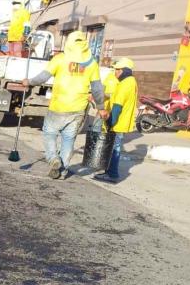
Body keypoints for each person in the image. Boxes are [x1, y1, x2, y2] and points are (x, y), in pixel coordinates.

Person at [23, 31, 106, 179]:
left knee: (49, 134)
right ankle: (63, 171)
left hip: (58, 106)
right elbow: (97, 88)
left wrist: (28, 82)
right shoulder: (92, 63)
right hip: (78, 108)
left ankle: (54, 159)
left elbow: (43, 77)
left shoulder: (59, 59)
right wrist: (101, 107)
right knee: (68, 139)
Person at [94, 58, 138, 183]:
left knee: (114, 149)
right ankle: (109, 172)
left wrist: (110, 123)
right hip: (122, 122)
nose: (115, 73)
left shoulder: (125, 84)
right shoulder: (131, 81)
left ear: (125, 71)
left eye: (117, 70)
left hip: (118, 122)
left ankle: (112, 174)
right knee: (115, 148)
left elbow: (118, 107)